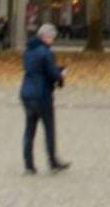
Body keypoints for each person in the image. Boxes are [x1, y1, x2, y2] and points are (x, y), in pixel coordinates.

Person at [19, 23, 70, 175]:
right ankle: (52, 162)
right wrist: (62, 74)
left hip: (27, 93)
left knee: (29, 130)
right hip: (42, 95)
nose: (52, 40)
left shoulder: (29, 51)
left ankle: (28, 164)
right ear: (46, 37)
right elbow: (53, 74)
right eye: (52, 37)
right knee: (49, 129)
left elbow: (37, 70)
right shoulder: (46, 53)